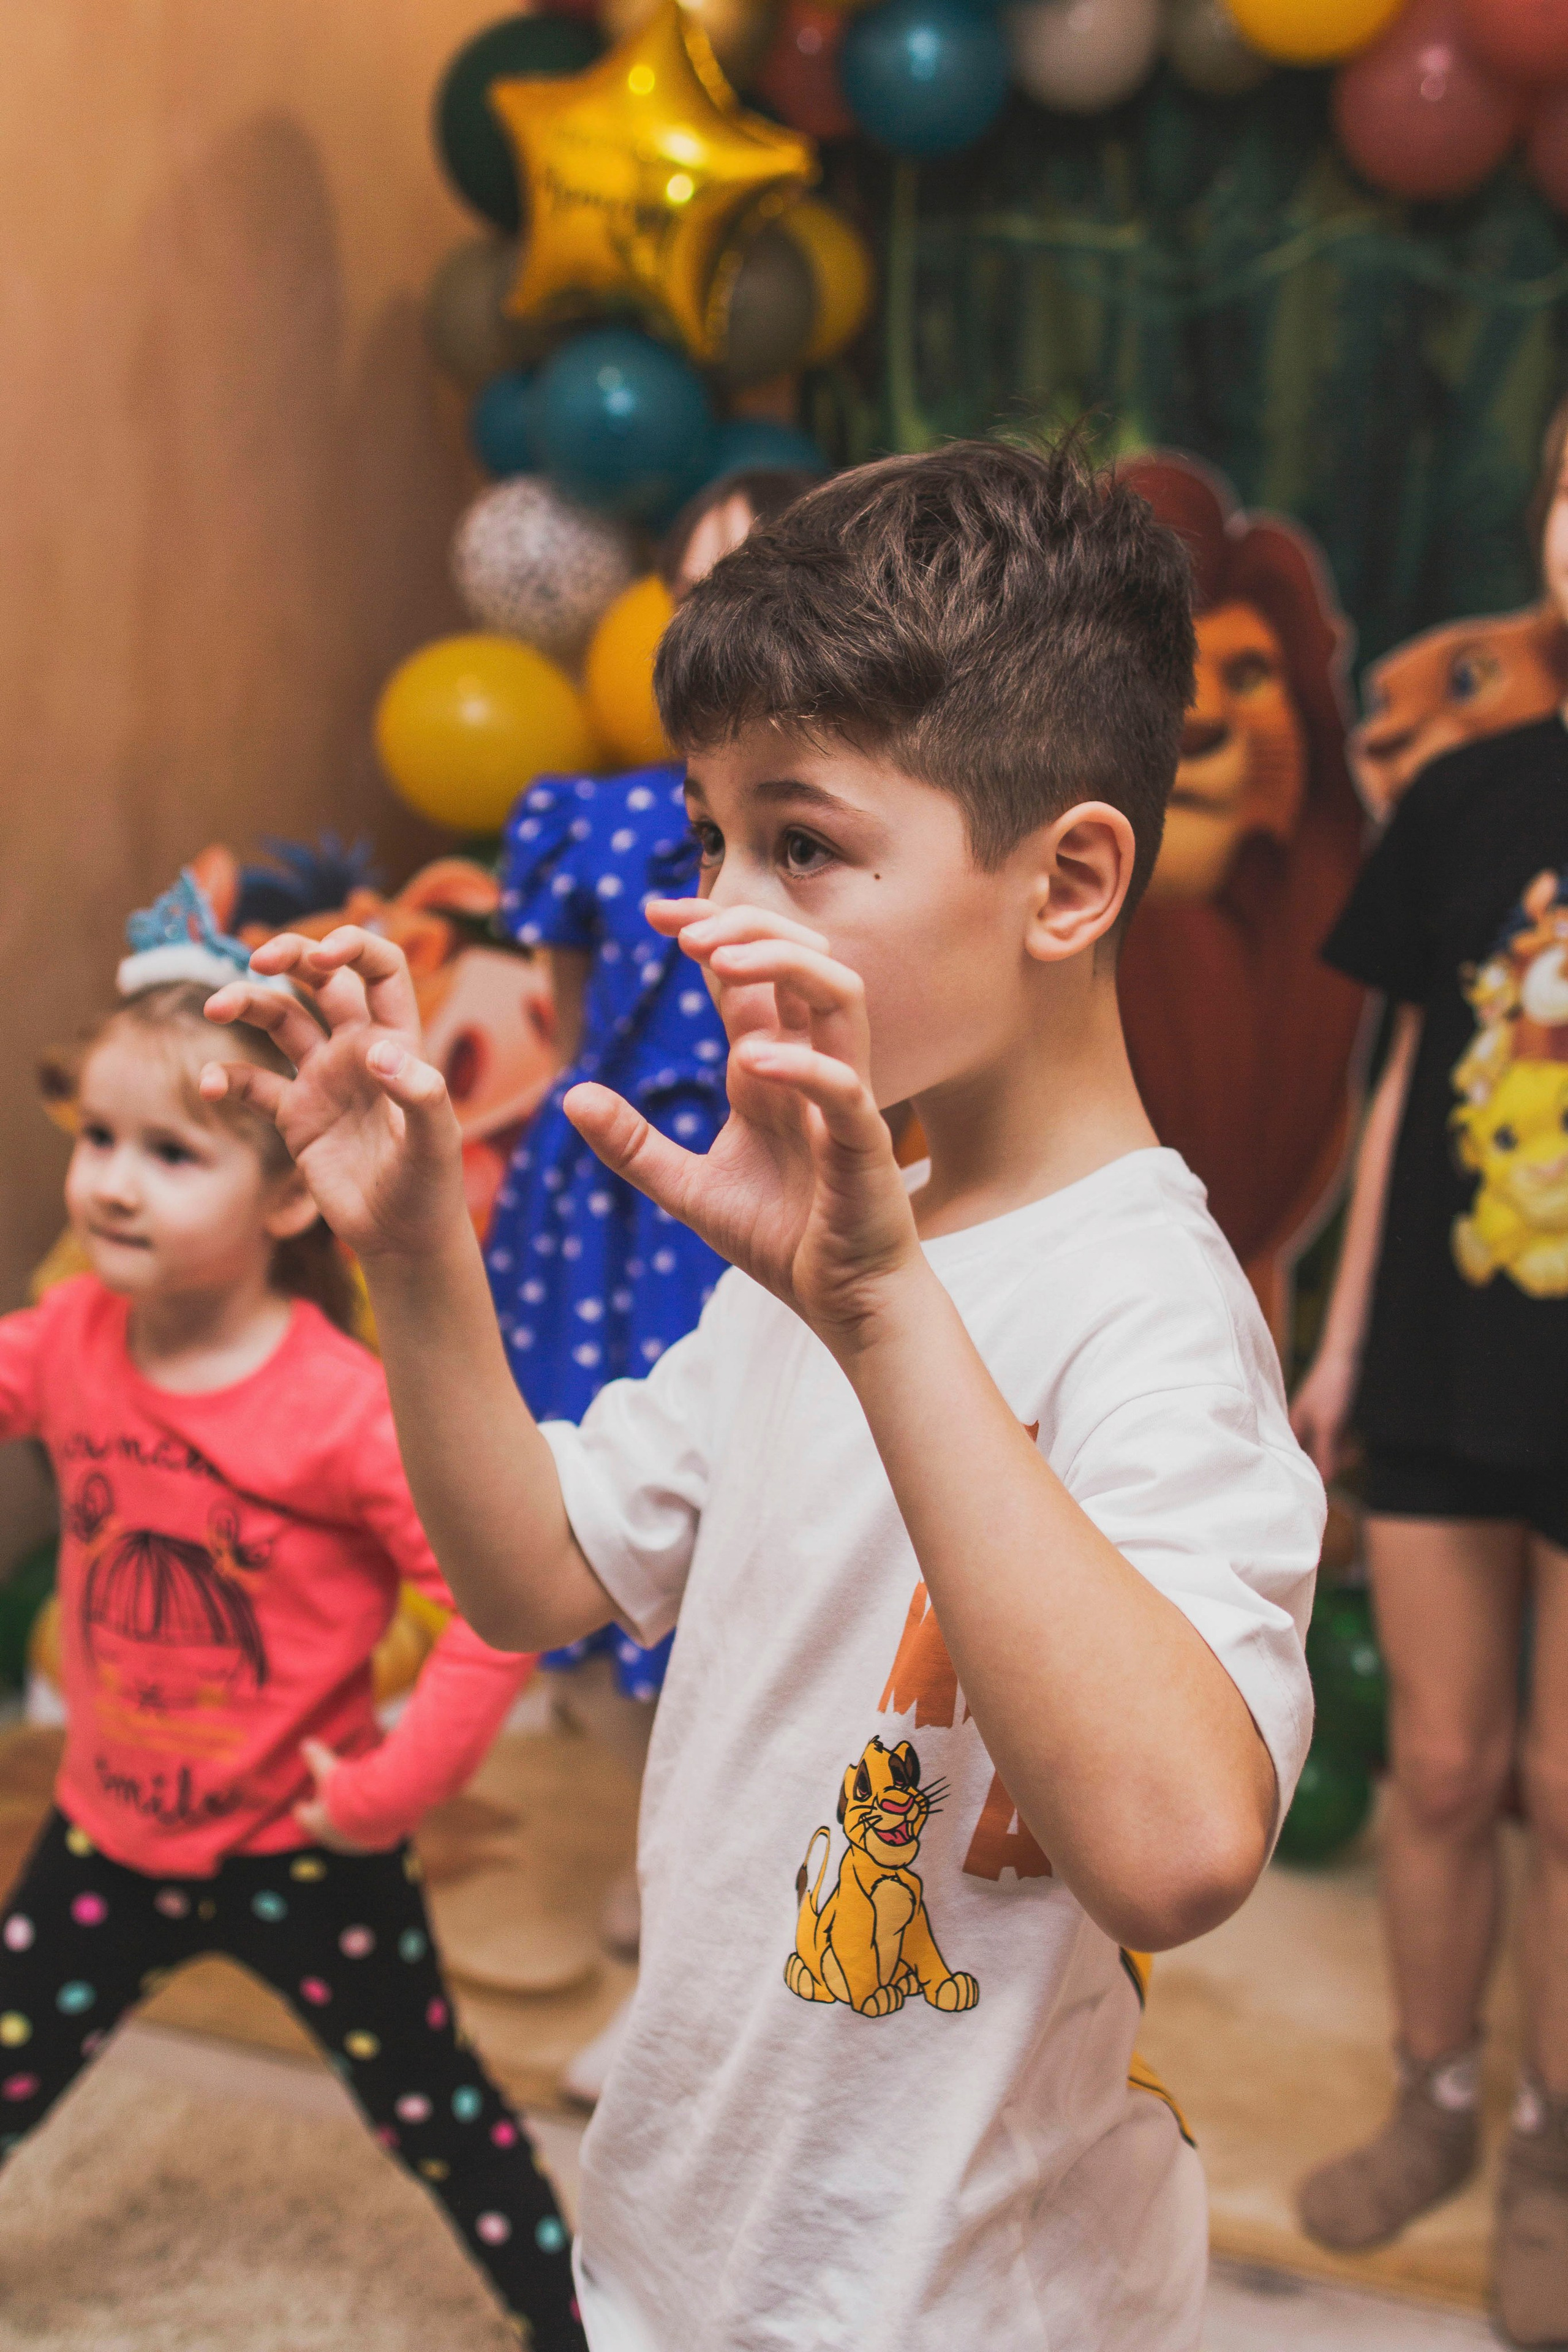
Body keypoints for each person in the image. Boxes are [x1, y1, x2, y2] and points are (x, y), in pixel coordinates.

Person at [204, 440, 1321, 2352]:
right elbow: (532, 1577)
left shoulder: (1143, 1309)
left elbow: (1176, 1847)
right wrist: (412, 1251)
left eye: (800, 845)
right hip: (684, 2249)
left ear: (1065, 882)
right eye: (705, 836)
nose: (708, 913)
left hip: (957, 2308)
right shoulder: (847, 1230)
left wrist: (879, 1311)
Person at [0, 875, 584, 2351]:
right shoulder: (68, 1337)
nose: (113, 1183)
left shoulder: (344, 1409)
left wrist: (392, 1786)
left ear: (282, 1199)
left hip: (306, 1852)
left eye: (171, 1153)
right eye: (100, 1140)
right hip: (105, 1836)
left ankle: (576, 2323)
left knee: (435, 2109)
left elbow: (493, 1611)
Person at [482, 467, 822, 2072]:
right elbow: (568, 1025)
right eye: (702, 591)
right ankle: (653, 1865)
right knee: (593, 1534)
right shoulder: (595, 817)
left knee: (739, 1566)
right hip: (599, 1204)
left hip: (761, 1198)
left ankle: (703, 1925)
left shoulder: (851, 841)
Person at [1291, 410, 1568, 2349]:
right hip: (1449, 1357)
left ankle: (1550, 2149)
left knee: (1565, 1785)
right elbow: (1400, 1090)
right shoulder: (1472, 797)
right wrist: (1342, 1345)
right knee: (1448, 1766)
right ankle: (1433, 2095)